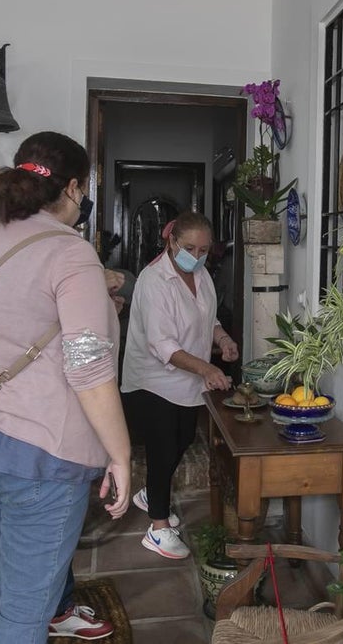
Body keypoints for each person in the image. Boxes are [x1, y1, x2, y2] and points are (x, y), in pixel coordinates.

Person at [0, 131, 131, 643]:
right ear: (74, 188)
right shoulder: (69, 254)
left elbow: (9, 324)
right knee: (25, 619)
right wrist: (121, 456)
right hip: (39, 454)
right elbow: (88, 369)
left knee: (16, 574)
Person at [120, 211, 239, 559]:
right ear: (172, 242)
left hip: (188, 380)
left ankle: (148, 494)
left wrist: (223, 339)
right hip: (152, 379)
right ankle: (158, 527)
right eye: (190, 248)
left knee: (184, 438)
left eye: (204, 250)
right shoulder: (153, 280)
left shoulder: (201, 275)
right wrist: (207, 369)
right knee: (162, 448)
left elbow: (208, 317)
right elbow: (163, 345)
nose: (197, 256)